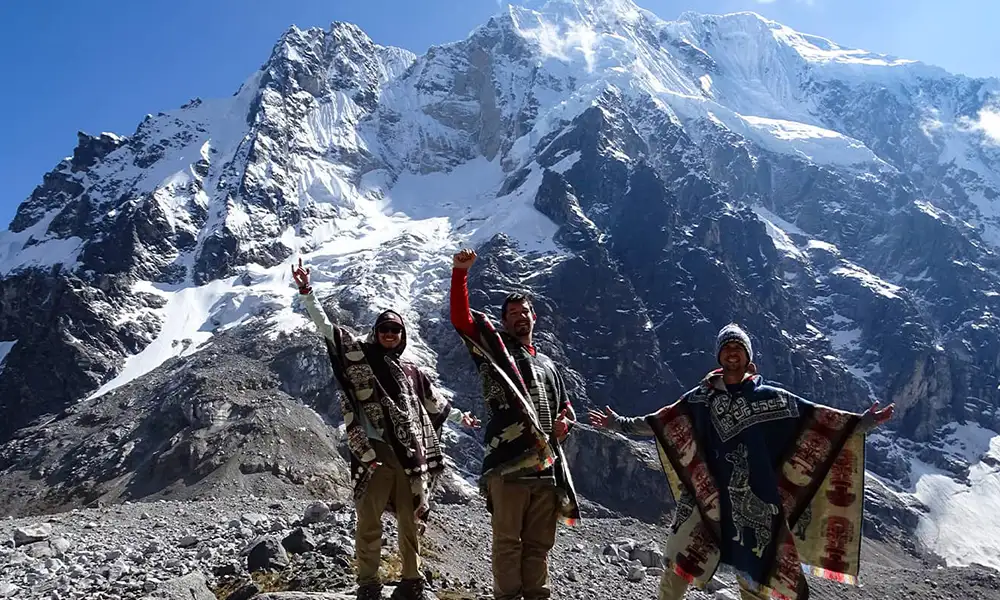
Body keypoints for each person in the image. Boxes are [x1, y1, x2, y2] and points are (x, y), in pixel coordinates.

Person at [589, 323, 894, 600]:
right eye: (726, 348)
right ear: (718, 356)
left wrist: (862, 422)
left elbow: (815, 418)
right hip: (704, 496)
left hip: (754, 500)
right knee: (679, 558)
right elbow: (663, 421)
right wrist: (619, 423)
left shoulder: (771, 398)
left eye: (738, 349)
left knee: (754, 576)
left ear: (749, 358)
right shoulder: (700, 399)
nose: (732, 354)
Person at [293, 258, 480, 600]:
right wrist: (307, 292)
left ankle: (412, 580)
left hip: (411, 458)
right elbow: (327, 329)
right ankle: (368, 583)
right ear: (375, 333)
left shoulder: (412, 372)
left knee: (411, 523)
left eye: (395, 331)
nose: (389, 335)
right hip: (374, 453)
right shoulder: (360, 356)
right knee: (368, 520)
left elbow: (435, 403)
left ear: (402, 335)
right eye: (384, 330)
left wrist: (461, 419)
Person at [449, 248, 580, 600]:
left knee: (538, 545)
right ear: (504, 322)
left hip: (547, 469)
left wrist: (565, 422)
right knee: (507, 543)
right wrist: (460, 273)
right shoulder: (495, 354)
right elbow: (463, 321)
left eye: (525, 312)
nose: (520, 317)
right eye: (512, 313)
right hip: (507, 464)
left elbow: (565, 407)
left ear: (534, 317)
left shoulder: (550, 365)